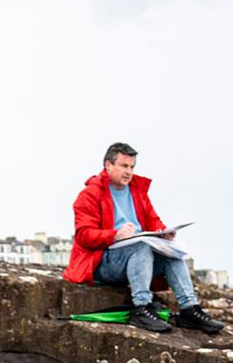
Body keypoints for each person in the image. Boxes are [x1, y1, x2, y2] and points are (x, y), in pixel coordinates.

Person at [63, 142, 224, 334]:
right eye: (124, 166)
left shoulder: (137, 192)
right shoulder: (89, 194)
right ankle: (142, 307)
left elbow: (153, 220)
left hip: (136, 260)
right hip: (102, 263)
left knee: (171, 254)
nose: (129, 172)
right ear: (108, 165)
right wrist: (115, 235)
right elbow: (83, 235)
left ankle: (189, 309)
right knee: (141, 247)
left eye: (132, 167)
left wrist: (163, 232)